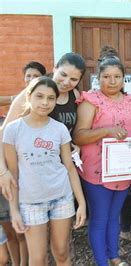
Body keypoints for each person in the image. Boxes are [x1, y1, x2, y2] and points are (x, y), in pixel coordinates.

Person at [0, 53, 86, 266]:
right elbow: (3, 140)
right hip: (30, 191)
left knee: (63, 250)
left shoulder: (73, 96)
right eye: (63, 74)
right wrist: (3, 172)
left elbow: (69, 155)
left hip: (59, 187)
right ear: (55, 68)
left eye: (73, 79)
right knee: (37, 257)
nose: (66, 82)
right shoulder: (33, 95)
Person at [73, 56, 131, 266]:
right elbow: (78, 136)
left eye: (117, 77)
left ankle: (114, 257)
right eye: (106, 77)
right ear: (98, 78)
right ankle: (101, 261)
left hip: (123, 169)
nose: (112, 81)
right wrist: (106, 131)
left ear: (123, 78)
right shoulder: (91, 100)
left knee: (114, 216)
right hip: (97, 171)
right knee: (100, 218)